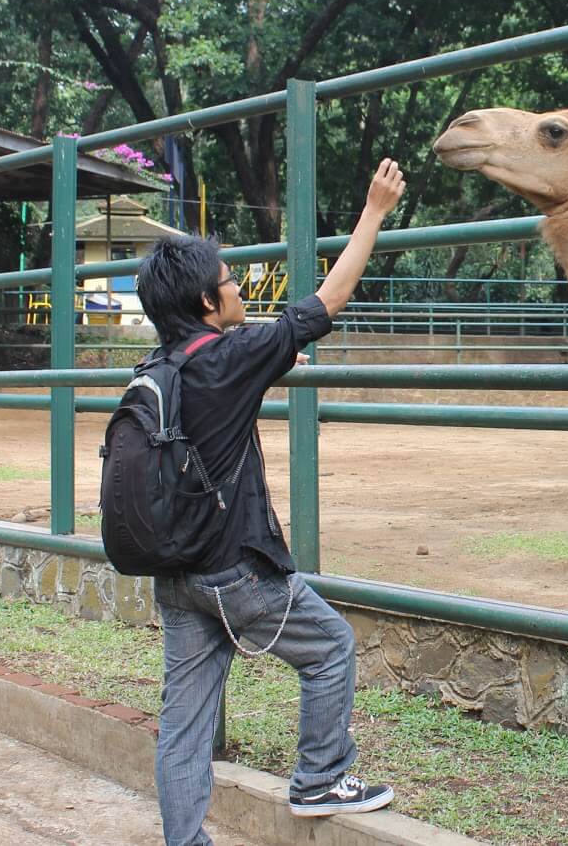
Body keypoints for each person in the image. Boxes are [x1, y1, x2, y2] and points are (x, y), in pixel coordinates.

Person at [134, 159, 406, 845]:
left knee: (184, 725)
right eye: (229, 280)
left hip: (177, 572)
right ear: (205, 303)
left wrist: (272, 359)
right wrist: (373, 210)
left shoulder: (160, 365)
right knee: (331, 647)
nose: (237, 287)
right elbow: (327, 301)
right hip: (237, 573)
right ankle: (320, 775)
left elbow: (226, 383)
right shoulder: (230, 357)